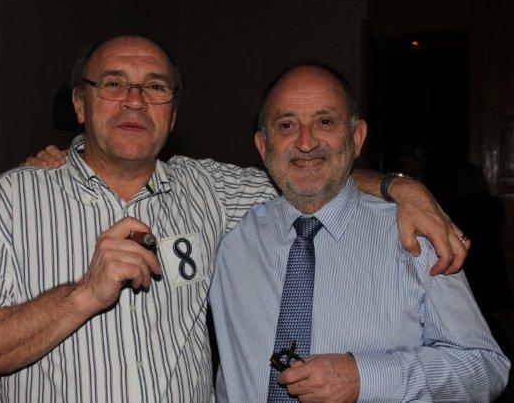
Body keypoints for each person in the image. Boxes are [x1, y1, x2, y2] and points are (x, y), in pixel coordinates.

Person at [0, 33, 467, 402]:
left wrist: (403, 187)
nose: (135, 101)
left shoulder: (207, 189)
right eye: (113, 84)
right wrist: (83, 295)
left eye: (156, 87)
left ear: (172, 112)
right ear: (79, 104)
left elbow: (306, 169)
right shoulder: (8, 202)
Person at [209, 62, 509, 402]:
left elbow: (485, 367)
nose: (305, 142)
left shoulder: (414, 234)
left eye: (325, 121)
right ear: (263, 146)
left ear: (356, 138)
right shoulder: (225, 236)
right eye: (287, 125)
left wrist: (364, 377)